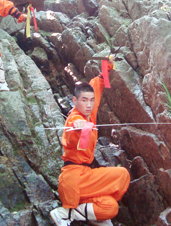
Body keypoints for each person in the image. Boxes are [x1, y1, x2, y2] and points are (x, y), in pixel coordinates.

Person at [50, 66, 130, 226]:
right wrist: (79, 127)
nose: (88, 104)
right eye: (84, 100)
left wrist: (105, 70)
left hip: (84, 179)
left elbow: (96, 85)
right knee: (122, 175)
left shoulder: (89, 113)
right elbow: (70, 140)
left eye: (91, 100)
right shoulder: (74, 119)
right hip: (74, 181)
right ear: (75, 101)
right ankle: (64, 213)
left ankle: (83, 213)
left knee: (111, 207)